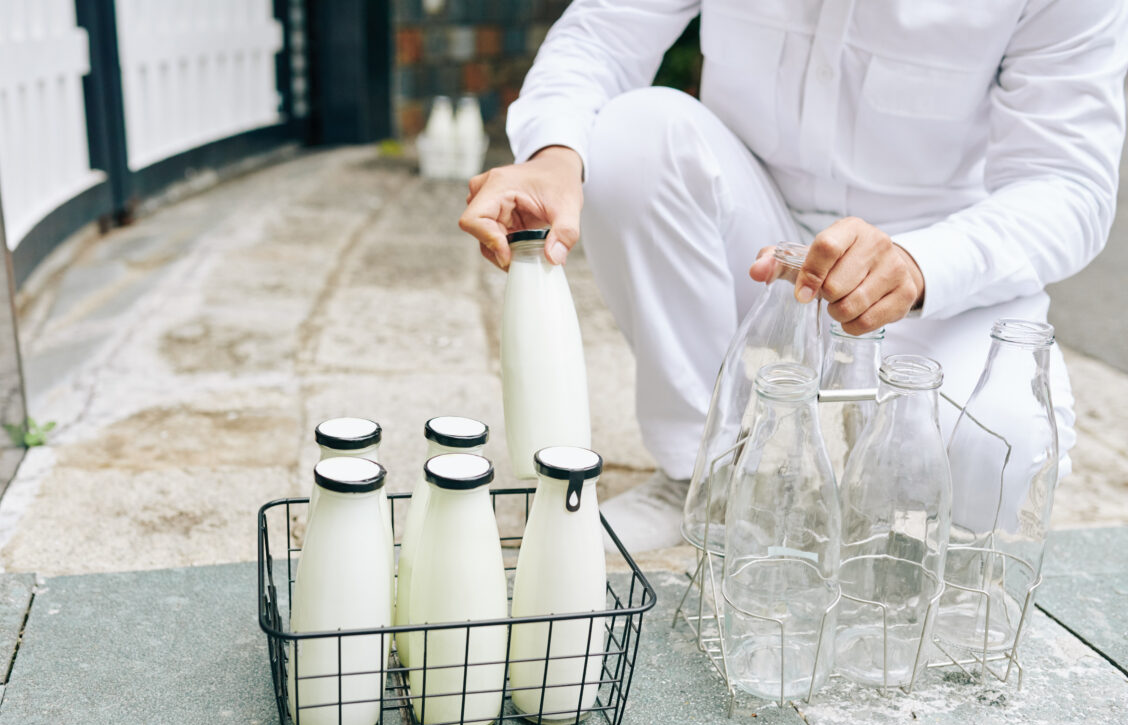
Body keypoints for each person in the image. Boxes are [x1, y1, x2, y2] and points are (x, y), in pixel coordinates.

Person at [459, 0, 1128, 552]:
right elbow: (603, 34)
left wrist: (923, 264)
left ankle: (886, 487)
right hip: (755, 233)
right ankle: (702, 473)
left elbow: (1067, 183)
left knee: (999, 460)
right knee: (635, 134)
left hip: (936, 263)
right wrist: (552, 157)